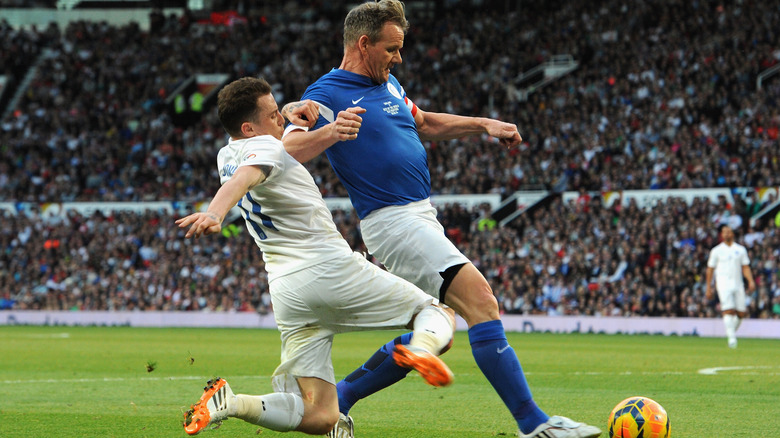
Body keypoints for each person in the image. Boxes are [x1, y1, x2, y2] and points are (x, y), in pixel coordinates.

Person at [282, 1, 601, 437]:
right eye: (392, 49)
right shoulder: (327, 92)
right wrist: (312, 122)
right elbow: (291, 147)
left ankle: (342, 398)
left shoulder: (390, 85)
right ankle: (535, 424)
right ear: (364, 43)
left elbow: (426, 122)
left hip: (418, 217)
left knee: (436, 329)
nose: (399, 58)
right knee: (481, 301)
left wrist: (485, 124)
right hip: (395, 221)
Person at [176, 76, 455, 436]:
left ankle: (232, 402)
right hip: (326, 268)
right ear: (249, 127)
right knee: (437, 313)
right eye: (273, 114)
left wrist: (292, 112)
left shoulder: (226, 154)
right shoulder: (266, 150)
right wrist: (215, 213)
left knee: (322, 415)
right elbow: (244, 178)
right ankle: (422, 349)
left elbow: (248, 164)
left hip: (287, 291)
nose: (281, 119)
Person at [705, 224, 756, 348]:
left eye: (729, 232)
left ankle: (730, 332)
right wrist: (708, 287)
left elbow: (745, 267)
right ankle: (732, 339)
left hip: (738, 283)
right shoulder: (716, 250)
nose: (726, 234)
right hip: (723, 284)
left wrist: (751, 281)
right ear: (721, 235)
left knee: (741, 312)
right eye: (724, 232)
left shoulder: (740, 249)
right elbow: (710, 269)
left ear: (733, 233)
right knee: (728, 310)